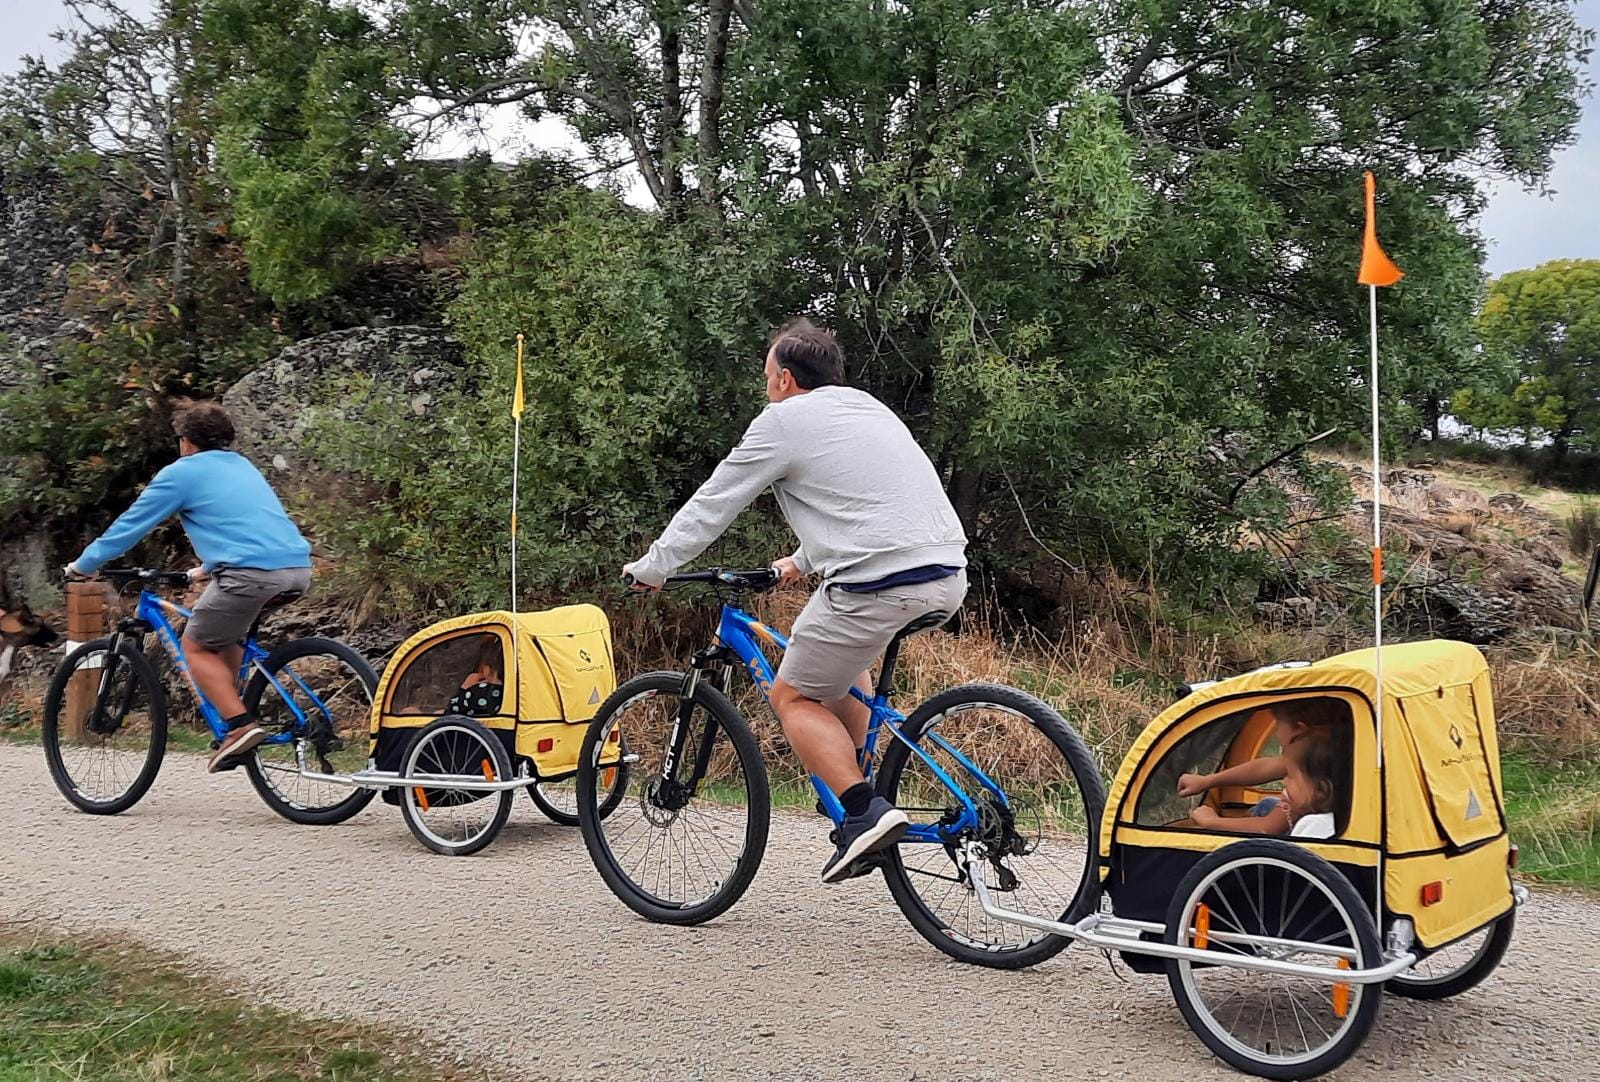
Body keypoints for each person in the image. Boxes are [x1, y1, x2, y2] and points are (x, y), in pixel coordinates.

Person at [624, 318, 969, 883]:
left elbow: (715, 502)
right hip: (946, 574)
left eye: (766, 377)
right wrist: (798, 562)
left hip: (877, 584)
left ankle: (863, 812)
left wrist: (655, 567)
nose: (766, 387)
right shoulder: (866, 407)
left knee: (794, 696)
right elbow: (867, 505)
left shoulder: (783, 420)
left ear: (784, 379)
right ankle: (855, 779)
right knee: (845, 667)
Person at [66, 401, 313, 772]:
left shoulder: (182, 473)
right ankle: (235, 711)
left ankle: (240, 726)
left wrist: (84, 566)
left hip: (249, 575)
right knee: (226, 637)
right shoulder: (242, 466)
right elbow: (248, 524)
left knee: (195, 647)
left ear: (186, 441)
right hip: (296, 569)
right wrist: (208, 567)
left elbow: (130, 526)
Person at [1178, 698, 1345, 835]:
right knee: (1267, 805)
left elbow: (1267, 828)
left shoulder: (1311, 785)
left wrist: (1211, 822)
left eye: (1277, 725)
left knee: (1266, 810)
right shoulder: (1318, 754)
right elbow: (1267, 767)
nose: (1285, 781)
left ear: (1299, 730)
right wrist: (1207, 781)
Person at [446, 636, 505, 717]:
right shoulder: (510, 692)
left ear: (487, 668)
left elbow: (452, 711)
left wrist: (464, 688)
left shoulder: (478, 691)